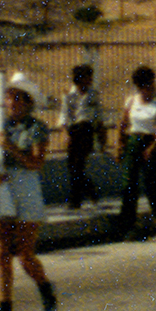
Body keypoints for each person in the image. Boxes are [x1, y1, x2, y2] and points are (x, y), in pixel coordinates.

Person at [0, 73, 60, 311]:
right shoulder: (0, 125)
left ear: (27, 102)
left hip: (26, 186)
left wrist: (10, 147)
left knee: (25, 254)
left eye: (17, 98)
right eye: (9, 97)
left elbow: (36, 163)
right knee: (1, 252)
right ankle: (4, 310)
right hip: (5, 186)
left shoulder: (37, 127)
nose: (12, 102)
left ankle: (45, 288)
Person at [116, 64, 156, 238]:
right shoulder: (131, 101)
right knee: (129, 184)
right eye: (149, 83)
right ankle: (127, 224)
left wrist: (152, 147)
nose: (152, 86)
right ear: (141, 85)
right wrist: (119, 145)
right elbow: (123, 124)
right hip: (133, 141)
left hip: (149, 142)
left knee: (153, 184)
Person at [59, 61, 103, 209]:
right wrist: (65, 134)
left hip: (87, 131)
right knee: (73, 167)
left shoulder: (93, 95)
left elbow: (98, 116)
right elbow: (64, 116)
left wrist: (101, 136)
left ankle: (75, 200)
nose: (90, 80)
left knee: (78, 165)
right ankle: (90, 190)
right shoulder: (69, 95)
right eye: (87, 77)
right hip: (74, 132)